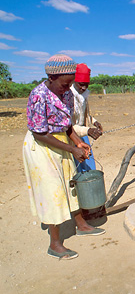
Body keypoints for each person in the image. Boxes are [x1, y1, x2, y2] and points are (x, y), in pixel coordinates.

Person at [23, 54, 105, 260]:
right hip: (42, 147)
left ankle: (81, 225)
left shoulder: (66, 94)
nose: (67, 89)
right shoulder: (38, 96)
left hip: (62, 143)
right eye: (64, 84)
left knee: (72, 185)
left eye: (70, 84)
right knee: (53, 191)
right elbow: (40, 133)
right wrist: (72, 149)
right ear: (51, 77)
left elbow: (67, 126)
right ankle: (55, 243)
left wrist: (78, 142)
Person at [71, 63, 103, 172]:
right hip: (72, 136)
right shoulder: (68, 97)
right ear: (74, 82)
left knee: (89, 164)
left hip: (83, 133)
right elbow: (68, 126)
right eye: (81, 84)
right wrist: (88, 130)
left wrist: (94, 122)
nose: (83, 88)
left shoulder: (83, 95)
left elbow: (84, 115)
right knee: (77, 166)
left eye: (86, 85)